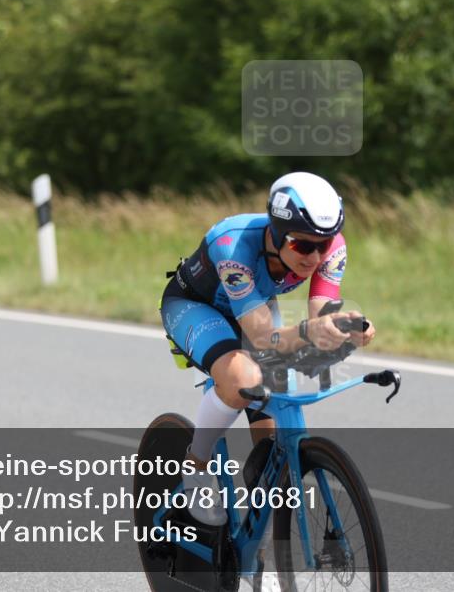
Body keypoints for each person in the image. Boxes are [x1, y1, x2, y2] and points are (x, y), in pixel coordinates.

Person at [160, 172, 375, 527]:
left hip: (255, 305)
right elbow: (262, 337)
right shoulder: (233, 245)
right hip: (197, 308)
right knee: (243, 376)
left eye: (323, 245)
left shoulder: (330, 248)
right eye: (302, 246)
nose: (314, 257)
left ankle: (255, 554)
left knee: (272, 440)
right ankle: (195, 466)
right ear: (275, 233)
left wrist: (344, 328)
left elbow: (320, 313)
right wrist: (311, 331)